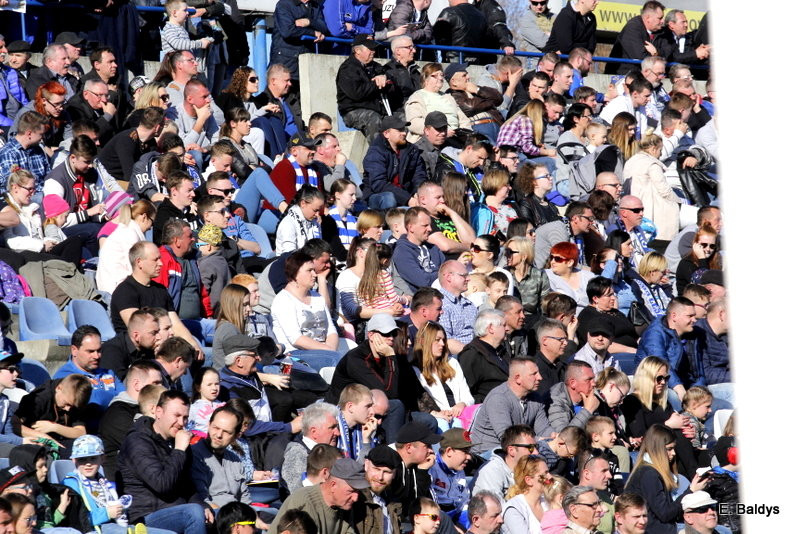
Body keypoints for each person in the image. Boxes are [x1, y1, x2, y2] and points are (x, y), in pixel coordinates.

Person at [117, 390, 213, 533]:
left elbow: (187, 486)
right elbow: (162, 484)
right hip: (145, 518)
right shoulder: (137, 442)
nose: (181, 423)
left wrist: (202, 505)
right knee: (193, 513)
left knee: (229, 515)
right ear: (159, 412)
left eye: (185, 417)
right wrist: (179, 450)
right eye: (177, 416)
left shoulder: (176, 441)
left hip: (177, 510)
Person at [624, 424, 707, 534]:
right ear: (656, 448)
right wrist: (690, 491)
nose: (673, 453)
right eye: (669, 449)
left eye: (673, 448)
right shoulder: (649, 474)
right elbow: (665, 514)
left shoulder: (651, 471)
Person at [622, 357, 696, 479]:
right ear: (646, 378)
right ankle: (694, 477)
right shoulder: (632, 402)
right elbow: (640, 436)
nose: (663, 382)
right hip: (650, 449)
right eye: (659, 378)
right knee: (677, 435)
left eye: (666, 378)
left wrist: (687, 430)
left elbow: (678, 423)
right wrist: (667, 425)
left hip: (672, 451)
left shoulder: (663, 403)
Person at [272, 250, 342, 368]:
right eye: (309, 270)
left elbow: (331, 329)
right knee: (337, 361)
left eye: (314, 270)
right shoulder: (283, 300)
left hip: (325, 351)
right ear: (294, 274)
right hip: (293, 356)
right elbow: (296, 339)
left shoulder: (317, 297)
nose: (314, 274)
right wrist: (328, 350)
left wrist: (330, 349)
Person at [471, 358, 554, 456]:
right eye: (534, 374)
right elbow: (507, 437)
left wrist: (555, 437)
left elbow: (543, 429)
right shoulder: (498, 398)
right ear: (518, 378)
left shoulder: (535, 398)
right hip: (488, 454)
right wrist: (537, 440)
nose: (540, 377)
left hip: (520, 448)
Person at [99, 360, 164, 478]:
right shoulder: (117, 413)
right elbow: (143, 447)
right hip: (122, 483)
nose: (161, 388)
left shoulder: (151, 408)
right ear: (137, 385)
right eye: (155, 383)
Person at [268, 458, 367, 534]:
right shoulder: (305, 503)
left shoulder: (343, 503)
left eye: (357, 491)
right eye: (351, 491)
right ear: (333, 485)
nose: (355, 498)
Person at [411, 321, 473, 431]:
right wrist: (443, 412)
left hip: (461, 413)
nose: (442, 344)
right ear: (423, 341)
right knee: (444, 424)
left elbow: (466, 394)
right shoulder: (415, 370)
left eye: (443, 340)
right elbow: (421, 403)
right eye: (437, 340)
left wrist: (462, 404)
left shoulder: (452, 363)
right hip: (439, 417)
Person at [190, 405, 251, 509]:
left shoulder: (235, 460)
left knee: (273, 514)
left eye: (226, 432)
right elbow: (201, 498)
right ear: (209, 425)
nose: (218, 435)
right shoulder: (195, 455)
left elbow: (245, 498)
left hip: (240, 513)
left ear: (236, 436)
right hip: (215, 514)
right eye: (216, 428)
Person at [362, 115, 427, 210]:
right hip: (377, 196)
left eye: (404, 130)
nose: (404, 133)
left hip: (406, 195)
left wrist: (417, 194)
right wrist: (407, 199)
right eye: (399, 130)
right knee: (389, 198)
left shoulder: (412, 150)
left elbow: (419, 176)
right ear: (386, 133)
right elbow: (378, 184)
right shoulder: (376, 152)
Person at [13, 374, 91, 453]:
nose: (68, 409)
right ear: (58, 388)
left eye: (72, 406)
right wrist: (46, 439)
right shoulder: (38, 399)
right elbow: (15, 425)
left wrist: (54, 427)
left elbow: (81, 433)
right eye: (67, 404)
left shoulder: (75, 397)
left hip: (62, 440)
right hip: (35, 442)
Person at [53, 326, 123, 412]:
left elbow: (127, 399)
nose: (96, 356)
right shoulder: (65, 376)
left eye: (99, 350)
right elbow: (95, 402)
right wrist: (115, 397)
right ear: (74, 350)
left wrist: (100, 395)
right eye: (90, 351)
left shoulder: (109, 373)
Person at [624, 134, 680, 241]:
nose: (661, 154)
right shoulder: (652, 165)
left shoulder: (629, 162)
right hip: (652, 215)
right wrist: (679, 202)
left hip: (633, 212)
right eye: (660, 150)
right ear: (654, 149)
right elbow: (665, 191)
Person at [336, 35, 388, 141]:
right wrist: (376, 84)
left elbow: (390, 80)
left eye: (374, 48)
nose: (373, 51)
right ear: (357, 51)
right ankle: (378, 153)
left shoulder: (376, 66)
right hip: (352, 111)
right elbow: (356, 93)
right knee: (373, 118)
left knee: (399, 120)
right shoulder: (348, 69)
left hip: (377, 109)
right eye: (370, 49)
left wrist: (385, 79)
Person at [405, 63, 470, 144]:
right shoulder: (417, 96)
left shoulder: (448, 97)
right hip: (429, 142)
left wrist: (465, 133)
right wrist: (441, 132)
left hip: (455, 139)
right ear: (426, 78)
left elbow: (464, 120)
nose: (440, 78)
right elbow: (413, 123)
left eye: (441, 75)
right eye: (435, 75)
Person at [97, 107, 165, 183]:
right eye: (163, 125)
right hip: (107, 181)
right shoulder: (126, 140)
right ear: (157, 127)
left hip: (125, 181)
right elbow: (130, 176)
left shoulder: (151, 143)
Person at [471, 425, 536, 502]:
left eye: (536, 446)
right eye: (530, 448)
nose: (536, 452)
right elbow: (497, 511)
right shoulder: (491, 471)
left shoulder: (532, 468)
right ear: (511, 450)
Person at [270, 0, 327, 84]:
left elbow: (323, 27)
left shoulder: (314, 6)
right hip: (285, 61)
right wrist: (313, 32)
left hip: (304, 60)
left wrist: (308, 21)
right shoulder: (284, 4)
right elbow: (287, 31)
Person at [392, 207, 446, 293]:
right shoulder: (402, 252)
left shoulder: (433, 247)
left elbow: (446, 268)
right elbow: (423, 281)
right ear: (411, 228)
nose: (430, 229)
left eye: (430, 225)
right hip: (424, 298)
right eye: (425, 225)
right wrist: (443, 274)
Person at [577, 276, 638, 351]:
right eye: (609, 295)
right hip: (613, 356)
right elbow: (600, 344)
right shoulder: (587, 316)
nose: (613, 298)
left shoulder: (615, 312)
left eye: (613, 294)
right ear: (595, 298)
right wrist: (631, 351)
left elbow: (634, 336)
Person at [607, 1, 666, 74]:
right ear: (648, 18)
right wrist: (655, 55)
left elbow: (666, 54)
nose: (663, 21)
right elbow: (640, 56)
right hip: (623, 76)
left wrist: (656, 52)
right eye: (660, 18)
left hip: (642, 77)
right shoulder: (633, 27)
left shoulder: (661, 32)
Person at [0, 111, 50, 196]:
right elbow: (13, 186)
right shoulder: (9, 153)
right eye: (41, 134)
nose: (42, 138)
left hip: (44, 193)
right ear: (29, 133)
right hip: (24, 199)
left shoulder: (38, 149)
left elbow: (48, 176)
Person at [534, 201, 594, 268]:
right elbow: (563, 261)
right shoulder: (558, 229)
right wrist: (590, 271)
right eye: (589, 219)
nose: (592, 222)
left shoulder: (578, 237)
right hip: (539, 273)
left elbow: (581, 262)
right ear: (575, 218)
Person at [501, 455, 550, 534]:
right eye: (544, 474)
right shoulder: (514, 509)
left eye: (548, 472)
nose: (550, 477)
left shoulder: (547, 502)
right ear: (529, 480)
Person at [544, 242, 595, 313]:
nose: (552, 262)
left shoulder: (588, 277)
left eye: (557, 259)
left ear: (570, 262)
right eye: (551, 257)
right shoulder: (545, 276)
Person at [547, 361, 599, 432]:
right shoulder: (555, 400)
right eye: (588, 380)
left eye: (593, 379)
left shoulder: (589, 397)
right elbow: (563, 436)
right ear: (572, 383)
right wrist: (588, 410)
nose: (594, 384)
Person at [432, 0, 488, 64]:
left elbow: (437, 38)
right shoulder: (480, 14)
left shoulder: (449, 12)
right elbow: (485, 38)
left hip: (453, 60)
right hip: (475, 60)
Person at [675, 225, 721, 296]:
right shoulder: (686, 263)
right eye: (704, 245)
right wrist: (702, 258)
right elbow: (702, 285)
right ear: (695, 244)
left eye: (712, 246)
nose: (708, 249)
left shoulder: (714, 261)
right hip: (689, 303)